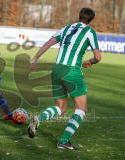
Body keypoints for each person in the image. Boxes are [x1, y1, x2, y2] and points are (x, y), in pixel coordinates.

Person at [28, 8, 101, 150]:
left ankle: (39, 118)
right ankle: (63, 140)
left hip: (57, 70)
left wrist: (35, 59)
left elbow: (49, 43)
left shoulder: (67, 28)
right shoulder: (90, 32)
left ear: (79, 16)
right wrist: (90, 62)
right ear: (91, 20)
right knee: (81, 109)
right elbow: (98, 57)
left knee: (61, 107)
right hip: (72, 71)